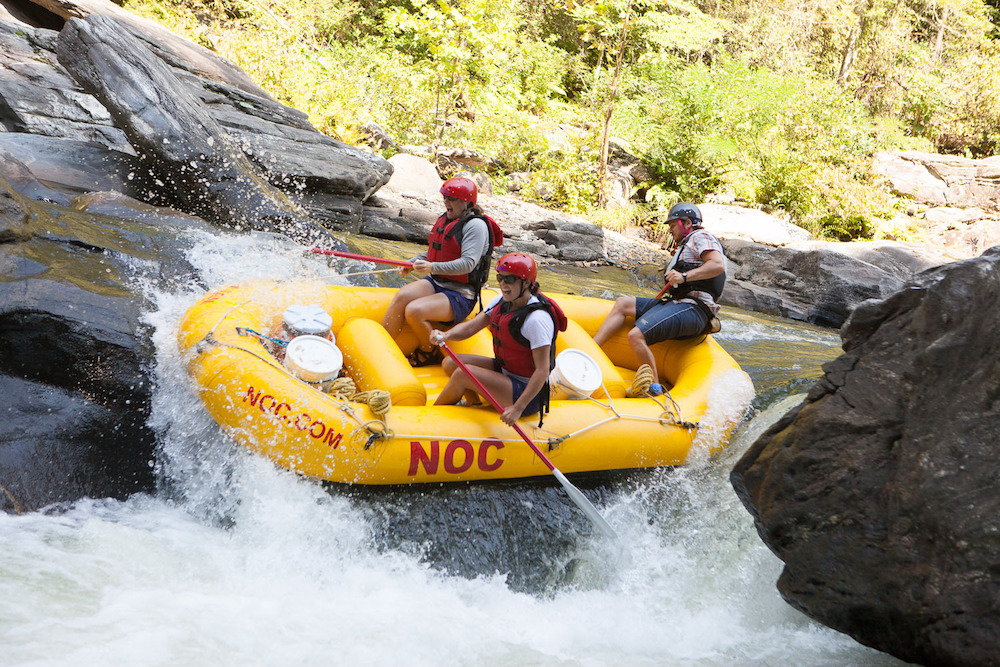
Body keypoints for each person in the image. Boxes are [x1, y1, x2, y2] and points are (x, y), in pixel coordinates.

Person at [592, 202, 726, 396]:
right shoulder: (686, 245)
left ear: (687, 223)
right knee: (623, 304)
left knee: (635, 335)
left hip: (695, 308)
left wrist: (684, 277)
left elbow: (717, 265)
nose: (670, 231)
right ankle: (591, 351)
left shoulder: (700, 237)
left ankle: (654, 387)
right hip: (677, 302)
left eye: (672, 225)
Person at [429, 253, 567, 426]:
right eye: (500, 278)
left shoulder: (536, 320)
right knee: (451, 363)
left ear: (526, 283)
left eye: (509, 280)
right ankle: (474, 403)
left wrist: (517, 408)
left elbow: (542, 370)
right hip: (506, 371)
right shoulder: (500, 301)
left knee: (462, 374)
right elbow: (471, 327)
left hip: (526, 394)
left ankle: (433, 418)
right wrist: (446, 335)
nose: (503, 284)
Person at [382, 177, 503, 367]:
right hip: (438, 282)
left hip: (462, 294)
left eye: (452, 199)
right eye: (445, 197)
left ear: (467, 203)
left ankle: (427, 351)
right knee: (402, 296)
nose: (446, 201)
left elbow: (468, 264)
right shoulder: (448, 218)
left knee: (414, 311)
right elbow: (434, 252)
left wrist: (432, 267)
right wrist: (412, 263)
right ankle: (381, 349)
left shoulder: (475, 226)